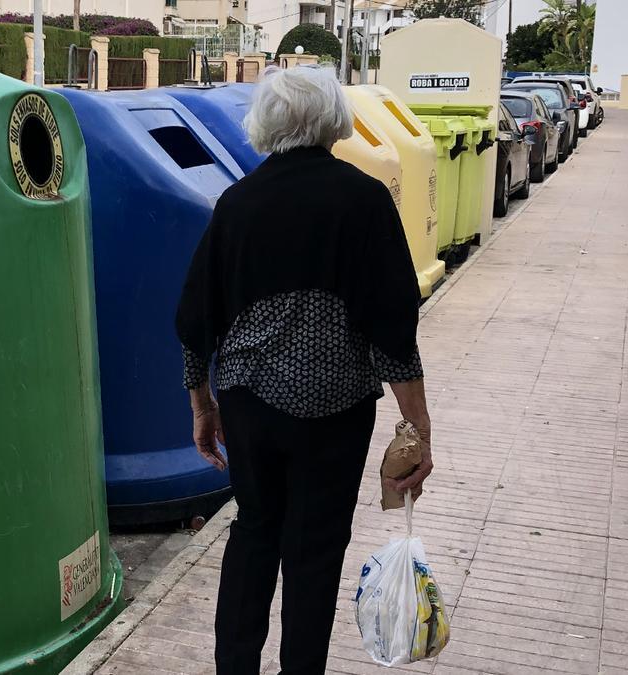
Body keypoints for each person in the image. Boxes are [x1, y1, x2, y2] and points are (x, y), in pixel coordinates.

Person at [175, 66, 434, 674]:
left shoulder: (237, 202)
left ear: (265, 123)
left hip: (250, 407)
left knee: (255, 530)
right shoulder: (364, 198)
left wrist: (202, 405)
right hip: (336, 410)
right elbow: (393, 323)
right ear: (334, 120)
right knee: (314, 551)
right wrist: (417, 426)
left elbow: (194, 318)